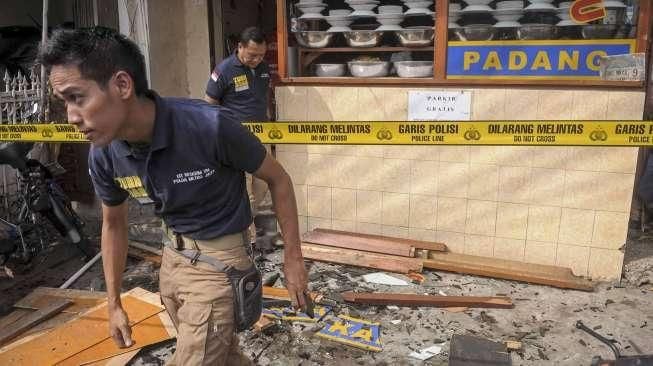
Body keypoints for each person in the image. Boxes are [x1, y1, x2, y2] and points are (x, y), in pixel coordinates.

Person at [39, 26, 309, 365]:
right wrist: (114, 303)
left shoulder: (208, 127)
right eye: (64, 102)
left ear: (122, 85)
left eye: (77, 97)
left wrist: (293, 259)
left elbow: (279, 179)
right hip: (172, 262)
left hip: (219, 267)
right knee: (221, 357)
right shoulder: (105, 153)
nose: (72, 117)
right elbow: (113, 224)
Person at [205, 26, 271, 244]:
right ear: (240, 47)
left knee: (262, 186)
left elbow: (262, 99)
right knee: (245, 191)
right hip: (235, 140)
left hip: (261, 137)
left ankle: (238, 226)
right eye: (252, 55)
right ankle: (247, 241)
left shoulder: (263, 68)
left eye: (261, 55)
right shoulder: (223, 71)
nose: (257, 59)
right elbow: (209, 105)